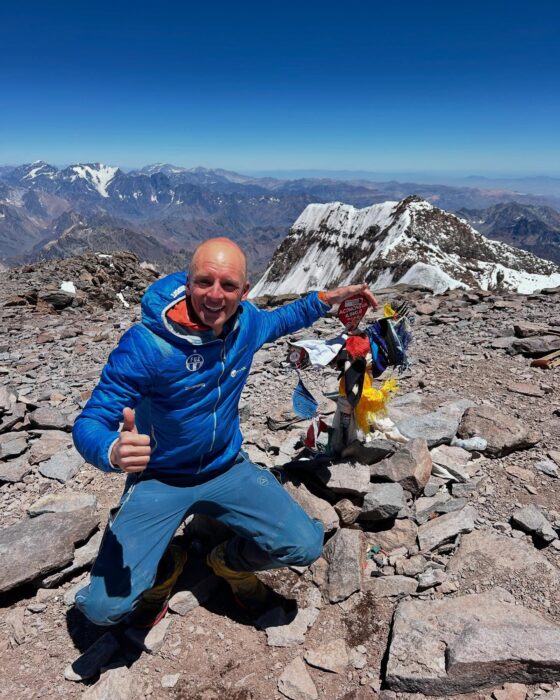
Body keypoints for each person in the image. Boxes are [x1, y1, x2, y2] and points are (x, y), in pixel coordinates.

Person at [72, 237, 378, 627]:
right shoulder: (147, 345)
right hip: (161, 478)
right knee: (103, 609)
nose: (215, 295)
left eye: (228, 286)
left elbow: (282, 319)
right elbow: (90, 422)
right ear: (187, 282)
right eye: (204, 282)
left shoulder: (245, 323)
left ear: (244, 292)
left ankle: (228, 563)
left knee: (305, 545)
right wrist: (112, 450)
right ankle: (166, 564)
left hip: (226, 467)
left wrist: (326, 299)